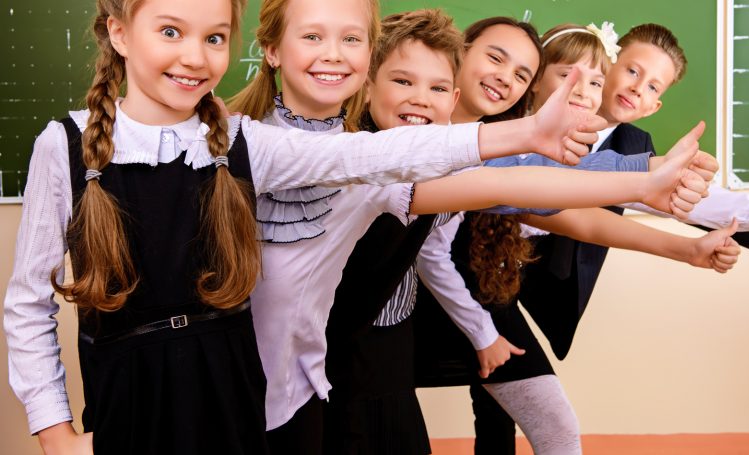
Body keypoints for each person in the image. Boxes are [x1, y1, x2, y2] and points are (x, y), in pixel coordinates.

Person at [2, 1, 685, 452]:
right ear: (120, 32)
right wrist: (56, 431)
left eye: (213, 38)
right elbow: (27, 304)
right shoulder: (65, 147)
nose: (194, 56)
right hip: (132, 391)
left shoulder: (246, 143)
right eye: (170, 31)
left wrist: (569, 150)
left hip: (245, 387)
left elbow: (391, 155)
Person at [225, 3, 707, 452]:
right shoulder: (263, 142)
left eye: (437, 89)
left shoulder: (388, 174)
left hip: (319, 377)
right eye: (403, 81)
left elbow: (519, 184)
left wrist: (646, 182)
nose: (421, 99)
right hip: (250, 376)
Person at [456, 22, 749, 454]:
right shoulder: (507, 120)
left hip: (527, 276)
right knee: (505, 402)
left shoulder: (632, 144)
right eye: (631, 71)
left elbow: (687, 201)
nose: (635, 88)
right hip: (465, 266)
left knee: (510, 400)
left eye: (651, 85)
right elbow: (585, 202)